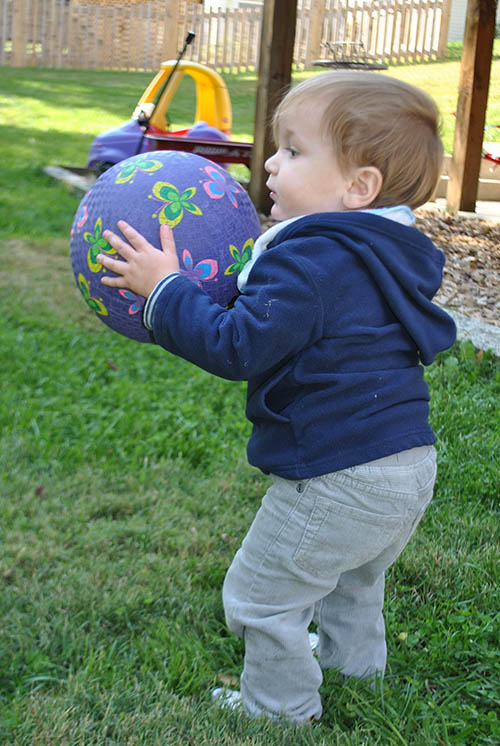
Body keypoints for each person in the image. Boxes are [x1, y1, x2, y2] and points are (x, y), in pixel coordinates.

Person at [96, 71, 456, 724]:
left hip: (336, 473)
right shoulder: (381, 250)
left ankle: (279, 713)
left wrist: (165, 290)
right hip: (405, 465)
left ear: (358, 186)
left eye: (293, 151)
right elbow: (296, 320)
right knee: (354, 582)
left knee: (263, 597)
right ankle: (357, 674)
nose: (270, 163)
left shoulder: (309, 261)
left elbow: (239, 346)